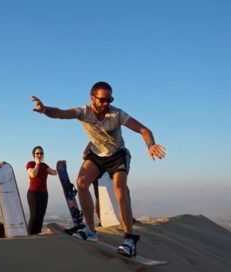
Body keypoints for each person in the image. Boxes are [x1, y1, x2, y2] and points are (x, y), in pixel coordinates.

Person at [31, 81, 166, 256]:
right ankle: (90, 230)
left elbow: (143, 129)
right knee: (81, 183)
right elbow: (60, 113)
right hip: (96, 155)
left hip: (117, 155)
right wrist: (44, 110)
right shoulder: (83, 112)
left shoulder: (116, 114)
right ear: (92, 98)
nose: (106, 104)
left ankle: (129, 239)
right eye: (102, 100)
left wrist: (150, 145)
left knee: (119, 189)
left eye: (109, 100)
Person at [26, 146, 57, 235]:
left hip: (44, 194)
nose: (40, 155)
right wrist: (37, 164)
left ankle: (37, 236)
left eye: (41, 153)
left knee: (41, 217)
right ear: (34, 155)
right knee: (34, 216)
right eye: (37, 153)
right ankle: (30, 236)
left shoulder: (45, 166)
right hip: (33, 193)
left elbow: (54, 172)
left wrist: (61, 167)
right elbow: (33, 174)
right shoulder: (30, 164)